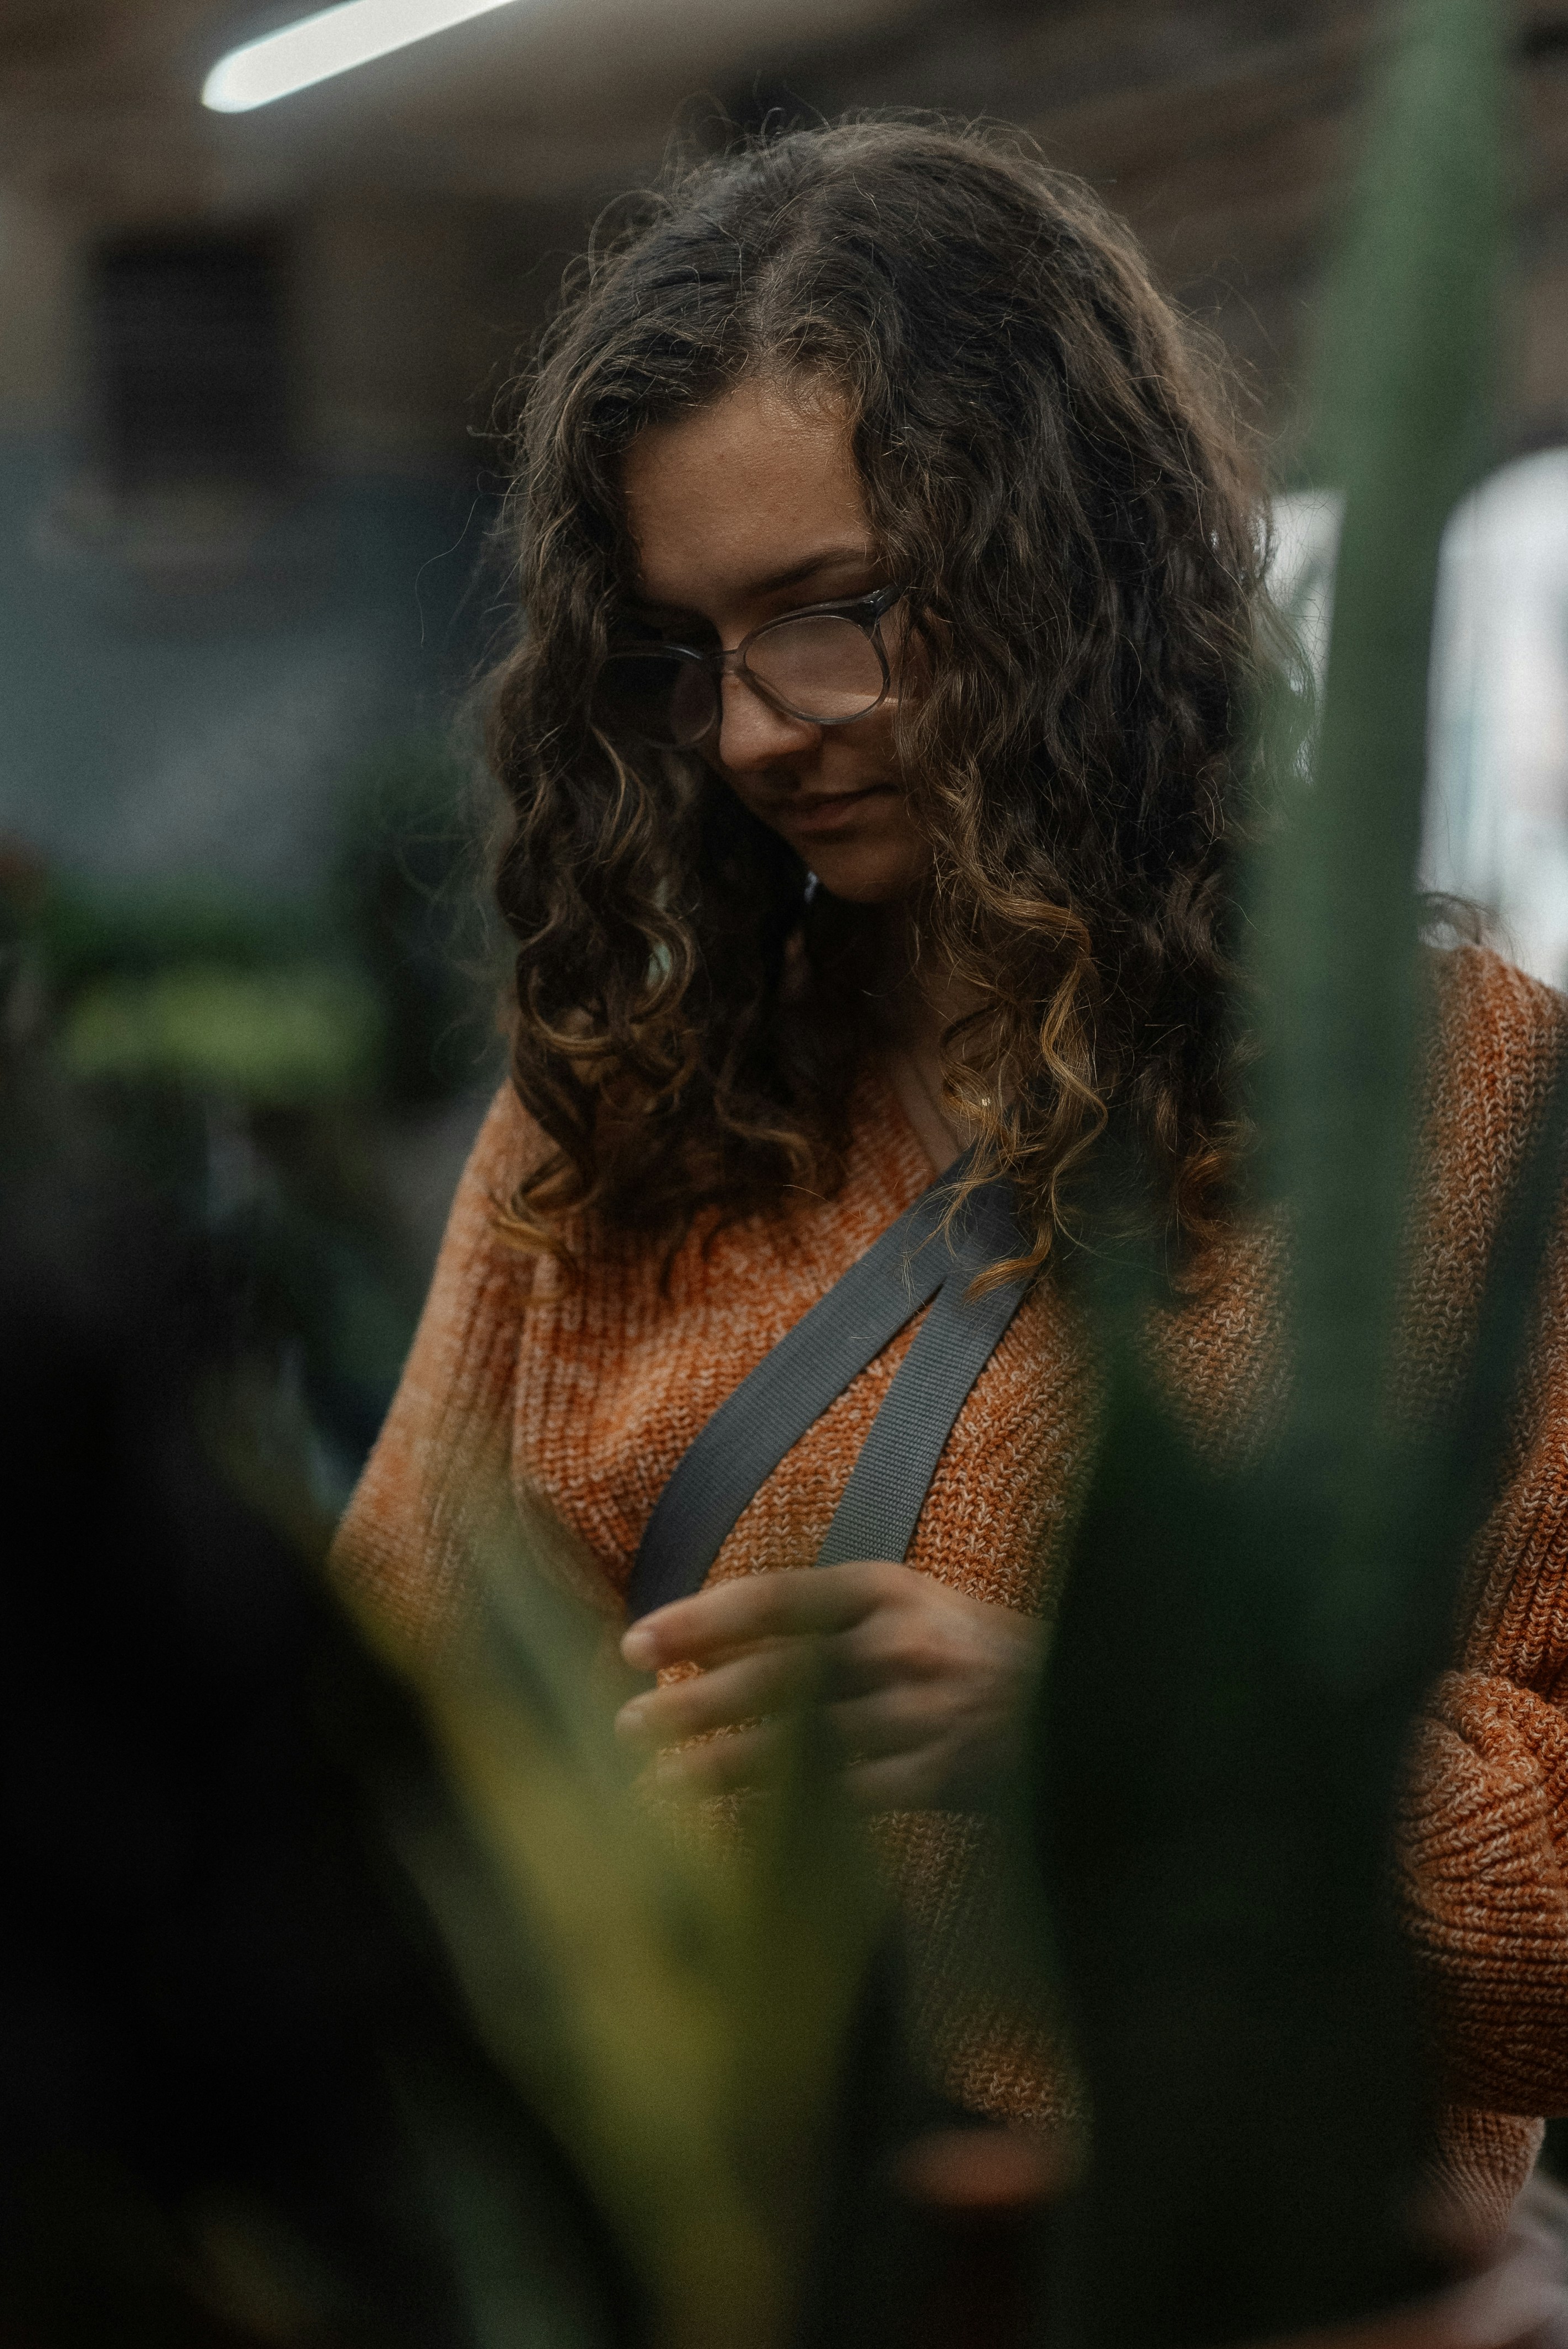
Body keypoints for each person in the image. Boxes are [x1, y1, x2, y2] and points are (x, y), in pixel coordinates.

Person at [333, 119, 1568, 2326]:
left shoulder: (1477, 1117)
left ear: (1078, 562)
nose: (761, 733)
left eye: (845, 610)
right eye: (690, 649)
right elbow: (385, 1720)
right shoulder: (615, 1113)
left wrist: (1117, 1733)